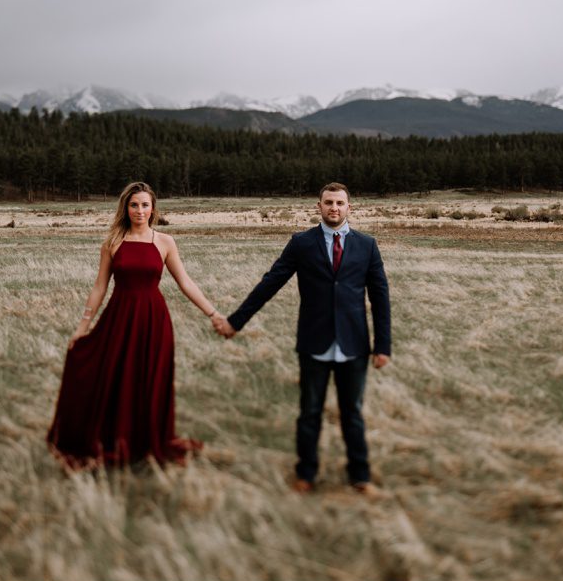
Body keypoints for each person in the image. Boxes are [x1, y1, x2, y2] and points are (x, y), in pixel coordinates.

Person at [212, 183, 391, 495]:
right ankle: (305, 474)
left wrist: (383, 346)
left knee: (353, 414)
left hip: (354, 345)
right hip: (314, 342)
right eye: (328, 203)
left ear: (350, 207)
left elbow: (381, 297)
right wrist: (236, 322)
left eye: (340, 203)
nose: (334, 208)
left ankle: (359, 476)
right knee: (309, 413)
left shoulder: (367, 245)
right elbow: (271, 283)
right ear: (318, 206)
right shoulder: (301, 244)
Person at [47, 181, 225, 468]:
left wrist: (213, 313)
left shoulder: (165, 242)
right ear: (125, 208)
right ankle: (115, 440)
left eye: (144, 204)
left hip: (154, 320)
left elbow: (185, 282)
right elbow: (99, 287)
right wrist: (83, 326)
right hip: (119, 317)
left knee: (150, 381)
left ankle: (145, 443)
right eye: (134, 205)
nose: (139, 210)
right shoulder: (113, 243)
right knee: (114, 377)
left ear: (153, 208)